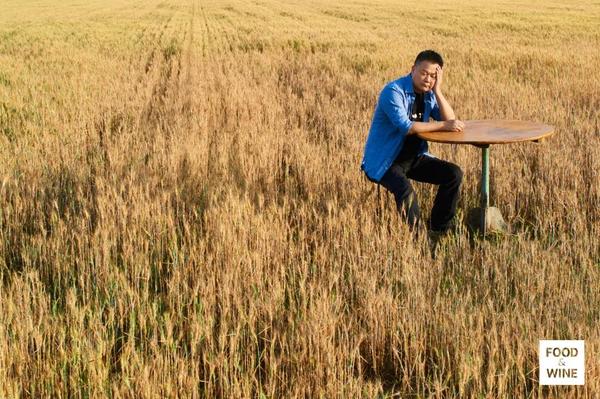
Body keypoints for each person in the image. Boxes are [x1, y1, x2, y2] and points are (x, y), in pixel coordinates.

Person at [360, 50, 464, 235]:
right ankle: (419, 240)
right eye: (424, 73)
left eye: (433, 76)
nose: (427, 79)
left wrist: (438, 90)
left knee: (453, 174)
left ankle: (439, 229)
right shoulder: (393, 91)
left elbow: (450, 119)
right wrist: (443, 125)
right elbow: (406, 127)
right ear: (413, 69)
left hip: (414, 158)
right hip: (386, 161)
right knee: (406, 193)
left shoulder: (429, 94)